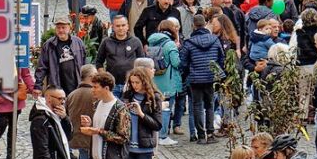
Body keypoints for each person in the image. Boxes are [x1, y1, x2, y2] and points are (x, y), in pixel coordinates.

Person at [81, 69, 129, 159]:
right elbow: (99, 125)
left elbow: (123, 137)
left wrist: (98, 131)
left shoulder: (120, 108)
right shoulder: (97, 104)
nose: (93, 90)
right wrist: (90, 123)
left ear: (106, 88)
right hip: (98, 157)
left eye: (95, 87)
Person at [179, 14, 225, 143]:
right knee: (210, 105)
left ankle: (200, 136)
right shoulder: (215, 40)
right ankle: (210, 134)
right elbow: (221, 58)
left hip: (195, 78)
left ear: (193, 25)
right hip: (211, 77)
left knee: (197, 106)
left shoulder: (189, 42)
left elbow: (183, 62)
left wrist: (188, 73)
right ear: (205, 24)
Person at [122, 67, 162, 159]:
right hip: (128, 148)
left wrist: (141, 114)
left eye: (137, 82)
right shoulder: (127, 95)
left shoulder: (153, 97)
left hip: (144, 148)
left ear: (144, 82)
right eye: (132, 82)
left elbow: (157, 125)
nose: (134, 85)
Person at [0, 66, 35, 159]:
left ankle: (10, 155)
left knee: (13, 127)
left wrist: (33, 88)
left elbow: (26, 74)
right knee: (3, 123)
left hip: (16, 97)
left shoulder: (20, 56)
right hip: (1, 95)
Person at [148, 18, 182, 146]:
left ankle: (157, 133)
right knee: (166, 108)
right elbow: (176, 62)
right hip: (168, 81)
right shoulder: (170, 44)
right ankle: (163, 135)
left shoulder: (152, 42)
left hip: (155, 80)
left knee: (157, 108)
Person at [34, 16, 86, 95]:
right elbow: (42, 67)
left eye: (63, 27)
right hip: (56, 87)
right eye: (58, 28)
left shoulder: (78, 43)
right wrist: (38, 86)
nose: (61, 30)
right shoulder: (49, 45)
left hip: (76, 86)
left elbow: (85, 64)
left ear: (70, 28)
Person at [95, 16, 143, 96]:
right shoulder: (106, 42)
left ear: (127, 26)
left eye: (123, 25)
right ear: (113, 27)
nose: (121, 28)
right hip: (113, 85)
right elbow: (99, 62)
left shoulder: (136, 42)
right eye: (117, 26)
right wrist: (105, 77)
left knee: (131, 107)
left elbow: (142, 63)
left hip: (131, 85)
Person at [30, 87, 74, 159]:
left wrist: (65, 118)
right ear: (49, 98)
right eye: (60, 98)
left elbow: (68, 136)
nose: (63, 102)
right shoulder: (41, 120)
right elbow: (42, 151)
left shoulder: (56, 115)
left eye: (64, 98)